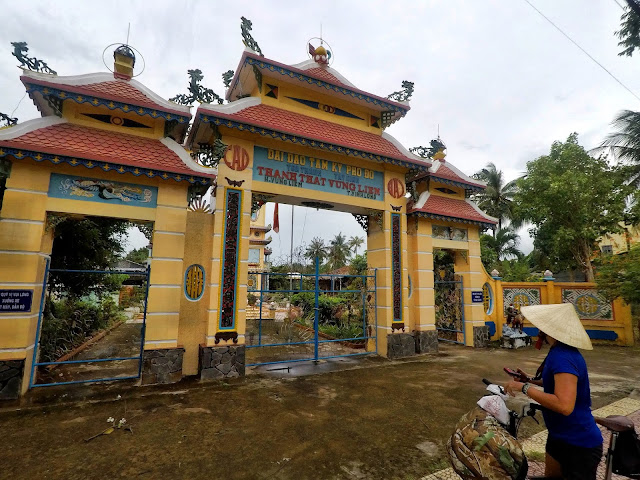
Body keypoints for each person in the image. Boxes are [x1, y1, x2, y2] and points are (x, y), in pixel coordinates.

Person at [504, 303, 603, 480]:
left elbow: (564, 405)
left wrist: (524, 388)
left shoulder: (563, 357)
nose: (538, 329)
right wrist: (529, 380)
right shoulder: (558, 351)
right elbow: (557, 383)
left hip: (578, 443)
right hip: (559, 436)